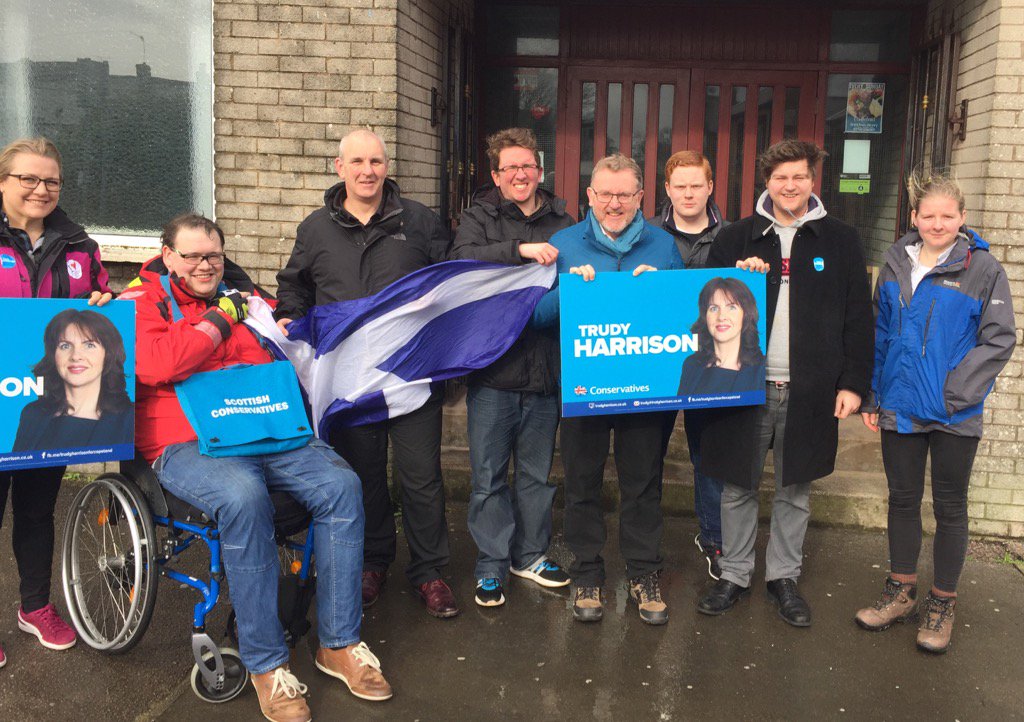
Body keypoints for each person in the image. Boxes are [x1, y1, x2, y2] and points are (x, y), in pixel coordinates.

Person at [121, 213, 391, 721]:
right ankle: (267, 663)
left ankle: (338, 643)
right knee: (245, 498)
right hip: (185, 440)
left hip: (261, 428)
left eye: (215, 256)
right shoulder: (140, 300)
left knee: (341, 485)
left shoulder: (244, 298)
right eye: (194, 256)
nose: (206, 265)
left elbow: (283, 343)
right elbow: (159, 364)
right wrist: (219, 320)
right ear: (168, 255)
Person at [274, 129, 457, 618]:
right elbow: (294, 286)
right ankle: (373, 563)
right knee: (365, 476)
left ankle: (430, 571)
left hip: (411, 375)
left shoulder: (419, 221)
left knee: (421, 477)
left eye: (376, 161)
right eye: (357, 161)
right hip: (351, 383)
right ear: (340, 168)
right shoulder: (315, 228)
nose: (367, 170)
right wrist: (291, 316)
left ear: (386, 166)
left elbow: (452, 281)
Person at [696, 139, 874, 627]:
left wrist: (854, 383)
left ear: (812, 180)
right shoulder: (737, 236)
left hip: (812, 387)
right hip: (745, 383)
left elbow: (859, 315)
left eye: (798, 176)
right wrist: (734, 277)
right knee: (737, 484)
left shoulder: (840, 238)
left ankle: (783, 577)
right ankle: (733, 574)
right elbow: (703, 302)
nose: (789, 186)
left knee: (795, 487)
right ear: (766, 183)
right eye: (780, 178)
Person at [855, 172, 1015, 653]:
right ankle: (901, 590)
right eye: (929, 215)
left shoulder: (983, 269)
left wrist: (954, 393)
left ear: (962, 218)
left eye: (948, 216)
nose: (938, 223)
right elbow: (879, 334)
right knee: (902, 500)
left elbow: (999, 339)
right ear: (915, 217)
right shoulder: (894, 264)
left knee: (950, 508)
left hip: (954, 413)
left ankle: (942, 601)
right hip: (900, 406)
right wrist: (873, 395)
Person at [533, 153, 683, 625]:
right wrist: (567, 294)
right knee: (581, 483)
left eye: (624, 194)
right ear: (590, 196)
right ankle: (588, 572)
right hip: (584, 390)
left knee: (643, 484)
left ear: (641, 197)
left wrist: (662, 292)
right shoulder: (562, 243)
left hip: (645, 391)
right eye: (605, 194)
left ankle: (643, 572)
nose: (614, 203)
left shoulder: (664, 246)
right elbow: (533, 315)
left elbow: (683, 315)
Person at [0, 136, 112, 667]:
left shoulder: (79, 246)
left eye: (51, 181)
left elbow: (98, 304)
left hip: (47, 405)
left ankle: (36, 607)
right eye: (29, 179)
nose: (41, 189)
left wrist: (102, 303)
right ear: (4, 182)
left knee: (38, 508)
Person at [451, 128, 573, 607]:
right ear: (496, 175)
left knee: (537, 477)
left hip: (546, 373)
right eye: (510, 168)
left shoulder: (565, 221)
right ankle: (491, 564)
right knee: (488, 477)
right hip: (494, 373)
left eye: (528, 166)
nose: (521, 174)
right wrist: (518, 251)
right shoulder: (478, 219)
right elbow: (460, 261)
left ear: (539, 171)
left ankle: (531, 556)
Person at [650, 150, 729, 579]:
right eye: (679, 185)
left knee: (710, 456)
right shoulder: (645, 235)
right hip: (656, 363)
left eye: (696, 185)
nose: (688, 193)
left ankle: (714, 540)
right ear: (667, 190)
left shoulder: (734, 236)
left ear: (710, 187)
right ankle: (646, 545)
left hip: (712, 367)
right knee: (648, 455)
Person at [12, 309, 133, 452]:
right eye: (65, 346)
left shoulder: (128, 417)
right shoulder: (32, 413)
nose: (76, 356)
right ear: (53, 355)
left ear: (108, 354)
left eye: (89, 345)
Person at [677, 276, 765, 396]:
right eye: (713, 308)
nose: (721, 316)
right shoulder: (691, 364)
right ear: (705, 316)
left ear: (746, 315)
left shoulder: (761, 367)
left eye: (731, 307)